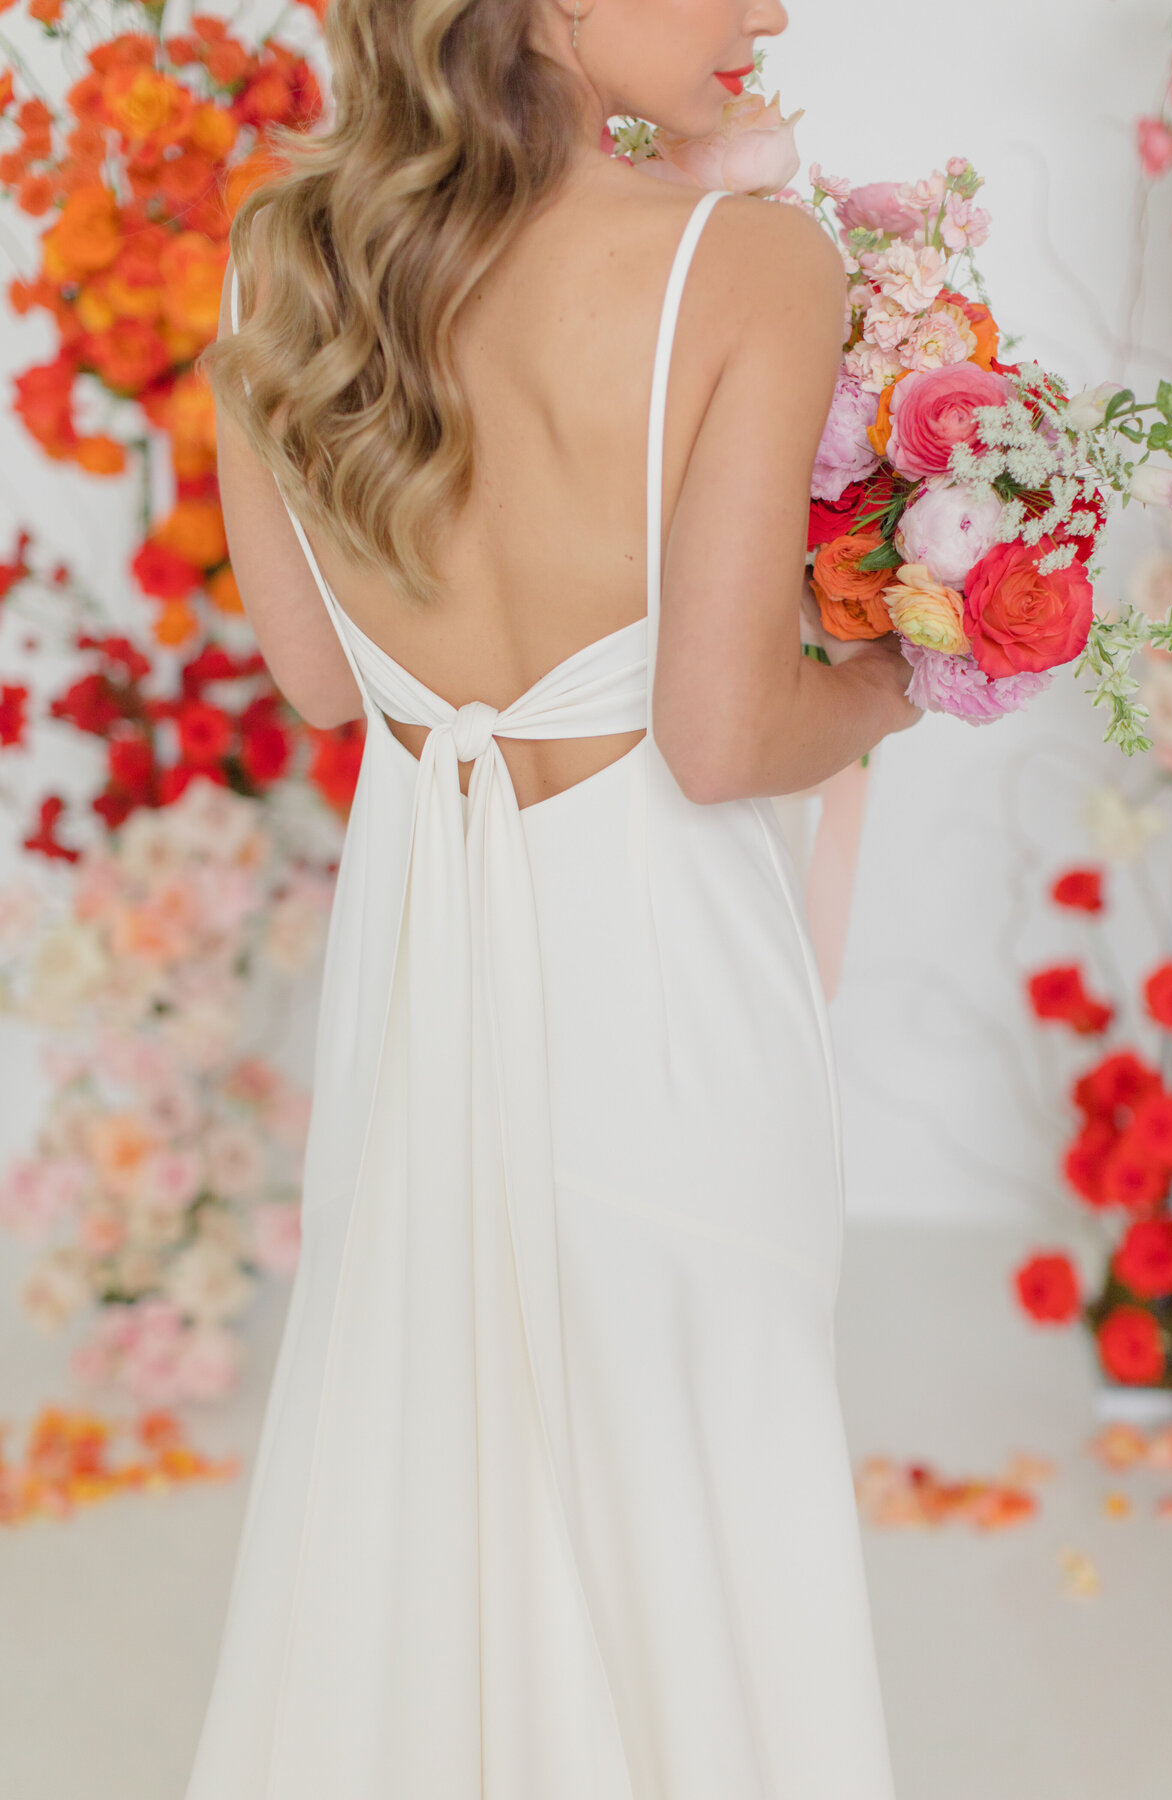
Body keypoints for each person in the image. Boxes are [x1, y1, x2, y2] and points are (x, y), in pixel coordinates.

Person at [188, 0, 923, 1794]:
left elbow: (310, 677)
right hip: (657, 979)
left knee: (437, 1471)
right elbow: (727, 729)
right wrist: (920, 667)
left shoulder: (281, 256)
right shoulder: (749, 267)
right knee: (706, 1487)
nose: (767, 9)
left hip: (420, 956)